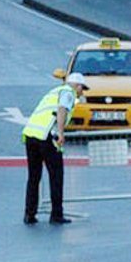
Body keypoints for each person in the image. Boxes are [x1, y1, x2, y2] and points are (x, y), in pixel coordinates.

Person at [22, 72, 89, 225]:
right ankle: (56, 214)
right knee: (56, 175)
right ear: (77, 86)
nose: (82, 93)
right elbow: (62, 109)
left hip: (31, 135)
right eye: (82, 89)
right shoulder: (68, 92)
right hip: (47, 137)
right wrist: (60, 133)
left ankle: (29, 214)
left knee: (34, 177)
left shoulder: (53, 92)